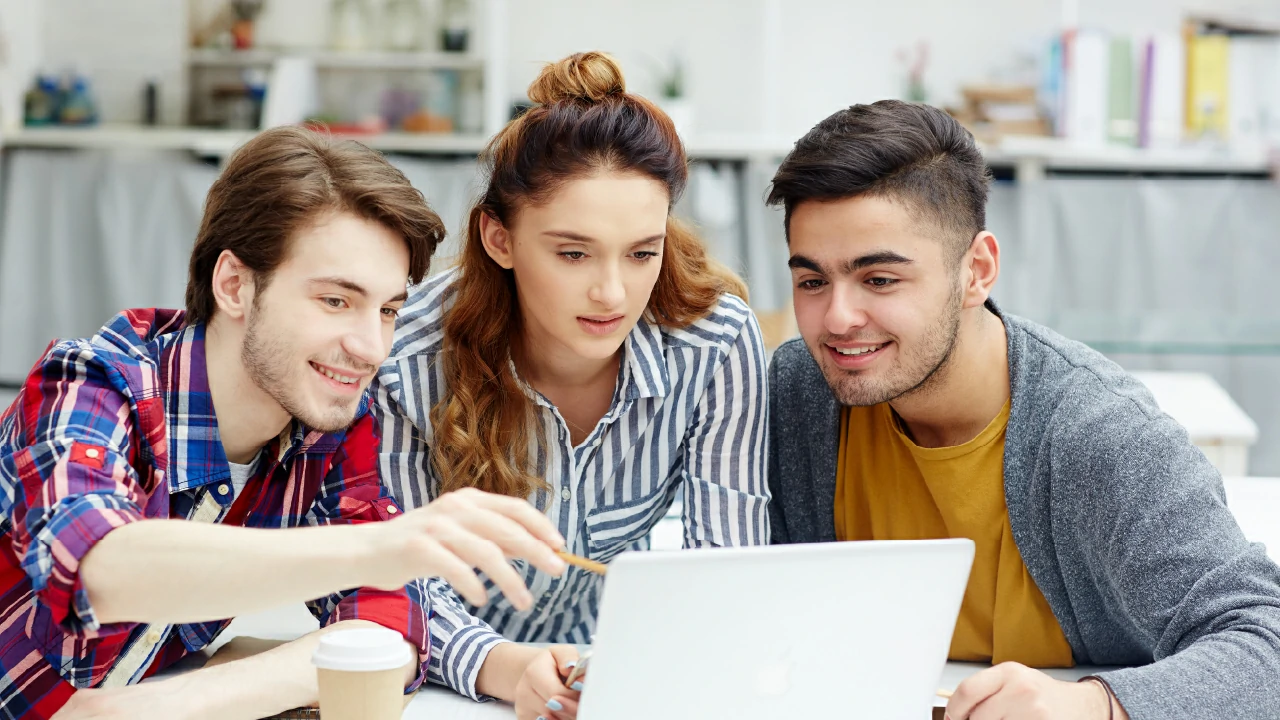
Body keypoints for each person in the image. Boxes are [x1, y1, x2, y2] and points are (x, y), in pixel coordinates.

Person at [0, 126, 567, 720]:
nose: (372, 347)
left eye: (388, 310)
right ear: (235, 285)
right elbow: (102, 566)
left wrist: (151, 708)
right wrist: (374, 548)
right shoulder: (91, 382)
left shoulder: (326, 427)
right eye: (335, 301)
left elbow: (392, 630)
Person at [764, 99, 1280, 720]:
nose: (838, 319)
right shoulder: (797, 395)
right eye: (812, 281)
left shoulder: (1099, 436)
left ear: (976, 271)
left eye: (879, 280)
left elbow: (1264, 646)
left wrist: (1096, 706)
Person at [374, 52, 770, 720]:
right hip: (443, 688)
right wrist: (508, 669)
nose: (612, 293)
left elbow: (726, 571)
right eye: (572, 253)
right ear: (499, 238)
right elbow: (392, 580)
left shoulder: (715, 339)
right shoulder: (407, 353)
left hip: (610, 680)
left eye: (642, 252)